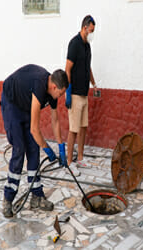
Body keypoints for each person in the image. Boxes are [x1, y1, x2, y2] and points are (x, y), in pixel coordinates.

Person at [0, 64, 69, 218]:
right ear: (52, 86)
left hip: (25, 106)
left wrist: (61, 146)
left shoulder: (53, 91)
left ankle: (36, 197)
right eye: (61, 93)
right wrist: (48, 149)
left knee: (33, 149)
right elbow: (34, 129)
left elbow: (55, 120)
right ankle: (8, 199)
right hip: (12, 104)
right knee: (19, 149)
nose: (61, 96)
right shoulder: (39, 85)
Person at [65, 15, 97, 176]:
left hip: (84, 94)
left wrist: (94, 84)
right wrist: (68, 92)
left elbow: (88, 67)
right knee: (74, 129)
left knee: (84, 127)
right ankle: (70, 162)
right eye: (91, 30)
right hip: (75, 94)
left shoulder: (87, 46)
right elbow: (68, 69)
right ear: (85, 27)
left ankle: (81, 158)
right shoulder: (74, 44)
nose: (92, 33)